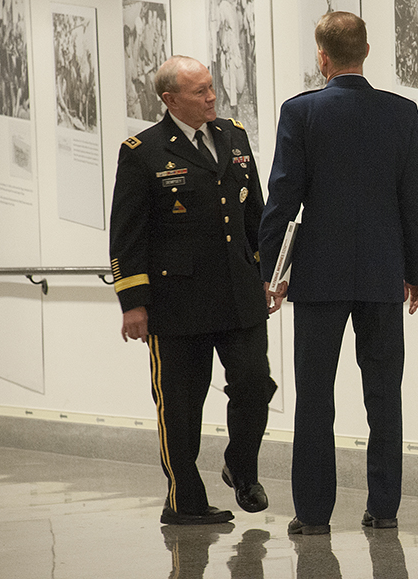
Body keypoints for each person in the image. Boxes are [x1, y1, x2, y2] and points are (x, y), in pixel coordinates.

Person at [258, 11, 418, 536]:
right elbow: (415, 200)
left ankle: (312, 515)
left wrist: (272, 270)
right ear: (367, 50)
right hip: (383, 274)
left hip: (319, 277)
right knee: (384, 393)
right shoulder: (402, 113)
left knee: (315, 396)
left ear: (322, 57)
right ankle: (383, 508)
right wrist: (416, 270)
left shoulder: (301, 112)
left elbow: (283, 199)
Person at [109, 55, 278, 526]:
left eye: (212, 87)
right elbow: (126, 234)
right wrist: (133, 302)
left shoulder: (234, 135)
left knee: (253, 385)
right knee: (181, 402)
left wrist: (267, 273)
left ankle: (241, 467)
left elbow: (255, 216)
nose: (211, 97)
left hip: (238, 291)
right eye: (200, 91)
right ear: (170, 99)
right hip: (175, 301)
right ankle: (184, 499)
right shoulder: (143, 150)